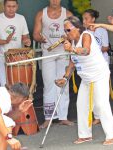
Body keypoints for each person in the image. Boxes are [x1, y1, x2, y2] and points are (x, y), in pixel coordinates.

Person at [55, 16, 113, 145]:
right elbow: (72, 62)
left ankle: (111, 135)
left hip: (99, 75)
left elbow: (86, 51)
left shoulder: (86, 35)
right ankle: (85, 135)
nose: (66, 33)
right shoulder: (71, 41)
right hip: (86, 78)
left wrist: (71, 49)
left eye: (68, 30)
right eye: (65, 31)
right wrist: (65, 78)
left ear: (77, 28)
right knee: (81, 105)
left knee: (101, 105)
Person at [33, 0, 74, 129]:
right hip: (48, 53)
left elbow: (74, 33)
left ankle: (63, 117)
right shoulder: (41, 13)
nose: (55, 1)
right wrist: (40, 38)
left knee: (63, 83)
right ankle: (48, 117)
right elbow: (35, 34)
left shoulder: (67, 13)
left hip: (63, 52)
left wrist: (68, 36)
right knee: (49, 84)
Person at [0, 0, 31, 86]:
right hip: (1, 57)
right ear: (3, 6)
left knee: (17, 85)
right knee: (5, 85)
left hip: (17, 57)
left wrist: (26, 41)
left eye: (13, 6)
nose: (11, 9)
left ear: (17, 7)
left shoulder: (21, 18)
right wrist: (5, 41)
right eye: (8, 6)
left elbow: (25, 37)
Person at [83, 9, 109, 125]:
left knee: (101, 92)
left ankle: (102, 117)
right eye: (83, 19)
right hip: (89, 65)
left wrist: (94, 51)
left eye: (86, 18)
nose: (84, 21)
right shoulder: (83, 32)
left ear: (93, 19)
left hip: (101, 63)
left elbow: (106, 47)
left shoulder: (101, 30)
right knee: (91, 92)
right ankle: (95, 116)